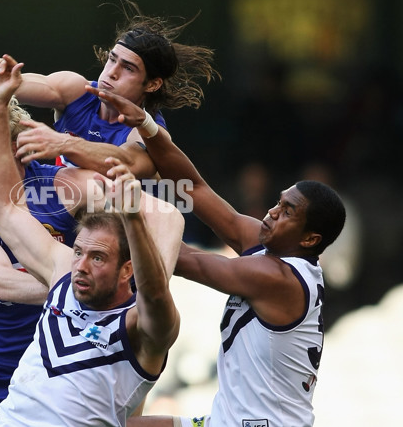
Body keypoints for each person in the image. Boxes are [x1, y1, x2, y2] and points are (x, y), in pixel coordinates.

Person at [85, 86, 347, 427]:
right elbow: (195, 189)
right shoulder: (272, 249)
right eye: (278, 202)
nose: (272, 211)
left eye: (287, 212)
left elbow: (183, 260)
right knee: (100, 422)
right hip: (226, 420)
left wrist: (120, 208)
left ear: (310, 238)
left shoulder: (277, 278)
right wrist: (148, 126)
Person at [0, 54, 183, 426]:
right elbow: (5, 210)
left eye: (99, 258)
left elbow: (156, 279)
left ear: (127, 270)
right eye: (78, 251)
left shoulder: (143, 328)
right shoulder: (63, 278)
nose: (81, 266)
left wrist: (133, 218)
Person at [0, 0, 217, 179]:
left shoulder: (150, 133)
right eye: (112, 60)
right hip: (57, 216)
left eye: (127, 68)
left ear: (152, 84)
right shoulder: (77, 90)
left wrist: (62, 143)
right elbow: (24, 84)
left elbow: (125, 162)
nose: (110, 73)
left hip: (110, 234)